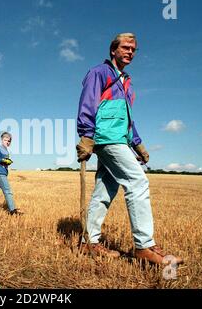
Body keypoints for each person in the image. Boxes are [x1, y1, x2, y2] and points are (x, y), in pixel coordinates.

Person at [75, 33, 183, 265]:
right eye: (125, 47)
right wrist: (86, 135)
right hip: (106, 138)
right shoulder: (99, 72)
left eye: (133, 49)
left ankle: (88, 241)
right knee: (138, 182)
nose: (130, 51)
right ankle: (144, 246)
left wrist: (138, 144)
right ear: (113, 50)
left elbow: (127, 120)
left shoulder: (126, 83)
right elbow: (88, 103)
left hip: (119, 139)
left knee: (104, 191)